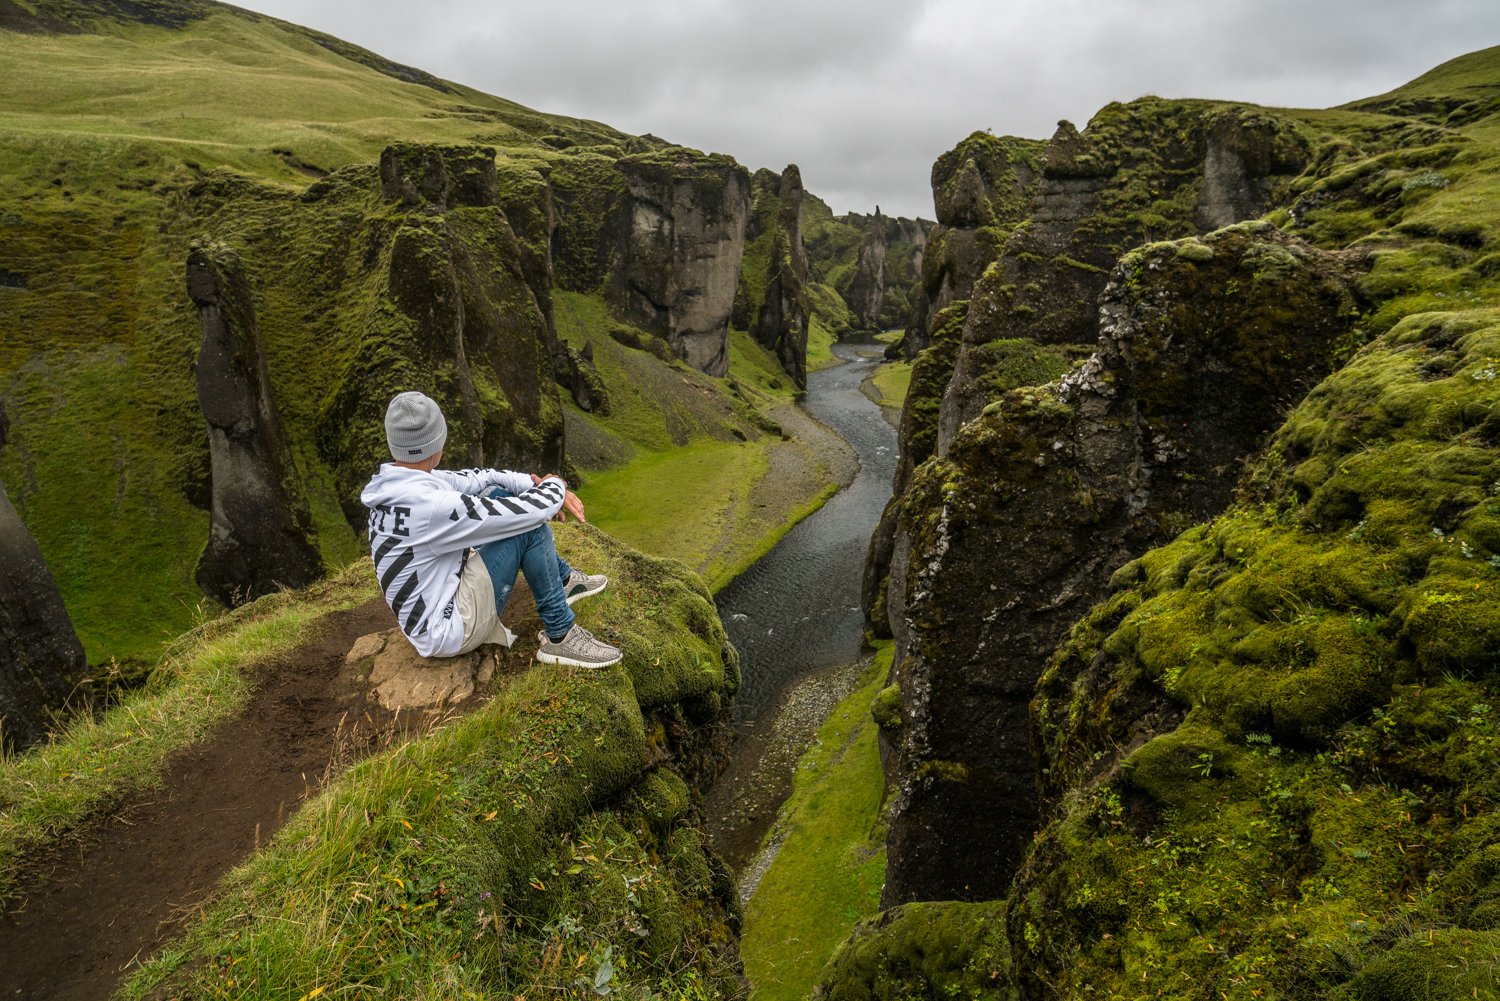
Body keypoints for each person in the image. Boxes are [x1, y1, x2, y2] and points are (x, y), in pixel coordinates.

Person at [360, 391, 622, 670]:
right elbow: (531, 513)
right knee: (528, 528)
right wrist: (556, 484)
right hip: (448, 630)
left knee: (496, 493)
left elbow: (480, 479)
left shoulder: (398, 486)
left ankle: (565, 581)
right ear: (439, 442)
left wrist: (531, 483)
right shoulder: (433, 505)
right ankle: (561, 635)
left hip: (428, 615)